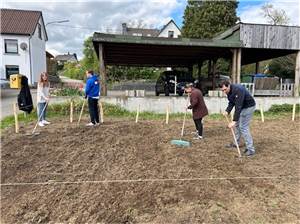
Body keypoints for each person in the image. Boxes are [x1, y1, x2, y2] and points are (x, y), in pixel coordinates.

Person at [221, 80, 256, 156]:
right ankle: (236, 143)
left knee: (243, 127)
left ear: (229, 86)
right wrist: (227, 111)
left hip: (248, 107)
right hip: (242, 107)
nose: (224, 91)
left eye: (225, 89)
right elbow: (231, 102)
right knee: (237, 125)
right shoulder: (229, 92)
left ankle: (251, 149)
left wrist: (234, 121)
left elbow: (238, 106)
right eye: (222, 90)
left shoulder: (238, 90)